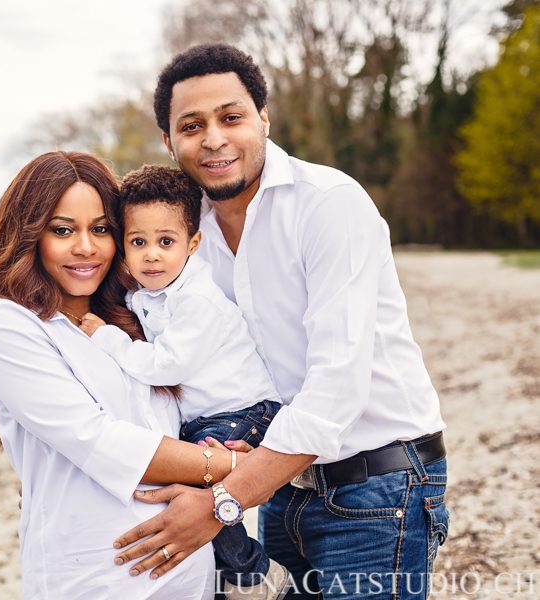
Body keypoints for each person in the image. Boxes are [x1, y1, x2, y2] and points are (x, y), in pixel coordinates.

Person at [112, 44, 449, 599]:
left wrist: (223, 503)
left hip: (378, 485)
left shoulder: (329, 205)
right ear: (169, 142)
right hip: (280, 486)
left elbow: (336, 389)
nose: (214, 138)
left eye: (232, 117)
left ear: (264, 118)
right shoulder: (183, 235)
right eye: (192, 126)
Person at [0, 150, 245, 599]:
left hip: (192, 576)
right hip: (97, 578)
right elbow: (98, 439)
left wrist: (229, 461)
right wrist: (242, 469)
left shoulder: (136, 320)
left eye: (100, 229)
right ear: (30, 236)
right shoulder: (10, 324)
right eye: (62, 230)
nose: (86, 246)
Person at [77, 164, 290, 597]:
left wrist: (107, 338)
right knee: (183, 475)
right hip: (210, 415)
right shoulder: (146, 295)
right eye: (138, 242)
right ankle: (225, 572)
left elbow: (165, 366)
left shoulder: (198, 300)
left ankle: (255, 574)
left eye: (166, 242)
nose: (151, 254)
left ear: (193, 243)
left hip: (245, 412)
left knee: (193, 485)